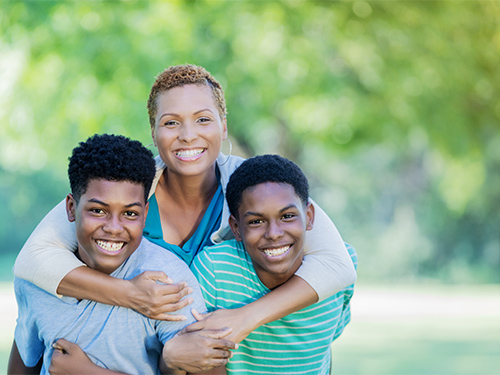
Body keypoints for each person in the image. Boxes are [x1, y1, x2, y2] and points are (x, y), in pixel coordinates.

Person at [13, 64, 356, 372]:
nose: (188, 134)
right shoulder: (125, 191)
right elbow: (32, 261)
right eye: (171, 122)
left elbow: (337, 266)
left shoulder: (251, 188)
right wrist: (130, 294)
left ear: (224, 126)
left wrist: (242, 319)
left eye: (203, 119)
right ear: (153, 132)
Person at [8, 134, 229, 375]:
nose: (113, 228)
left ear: (145, 213)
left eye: (130, 214)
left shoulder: (168, 282)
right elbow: (24, 361)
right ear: (71, 208)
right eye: (98, 210)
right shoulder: (37, 281)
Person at [191, 154, 357, 374]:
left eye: (287, 216)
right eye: (256, 222)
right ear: (236, 227)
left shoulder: (344, 264)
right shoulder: (214, 270)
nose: (274, 234)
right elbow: (202, 359)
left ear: (309, 216)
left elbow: (322, 352)